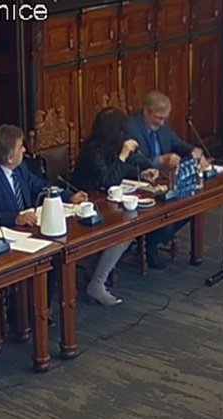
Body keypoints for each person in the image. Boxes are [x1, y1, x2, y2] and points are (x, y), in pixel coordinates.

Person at [74, 107, 163, 304]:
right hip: (86, 206)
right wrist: (123, 154)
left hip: (104, 203)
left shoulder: (109, 146)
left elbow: (119, 168)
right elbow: (108, 180)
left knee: (130, 226)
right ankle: (97, 282)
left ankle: (94, 273)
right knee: (124, 232)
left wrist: (140, 173)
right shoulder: (93, 151)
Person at [123, 91, 208, 267]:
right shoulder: (131, 127)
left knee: (191, 205)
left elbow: (176, 143)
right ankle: (150, 245)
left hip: (164, 180)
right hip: (140, 182)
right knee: (169, 214)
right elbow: (130, 160)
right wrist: (158, 161)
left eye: (165, 118)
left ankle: (153, 240)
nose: (162, 123)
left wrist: (194, 151)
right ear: (146, 111)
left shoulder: (163, 124)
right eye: (158, 118)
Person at [0, 124, 87, 228]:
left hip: (29, 229)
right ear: (9, 158)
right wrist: (16, 219)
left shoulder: (20, 168)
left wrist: (69, 196)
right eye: (20, 147)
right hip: (9, 233)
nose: (24, 150)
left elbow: (41, 186)